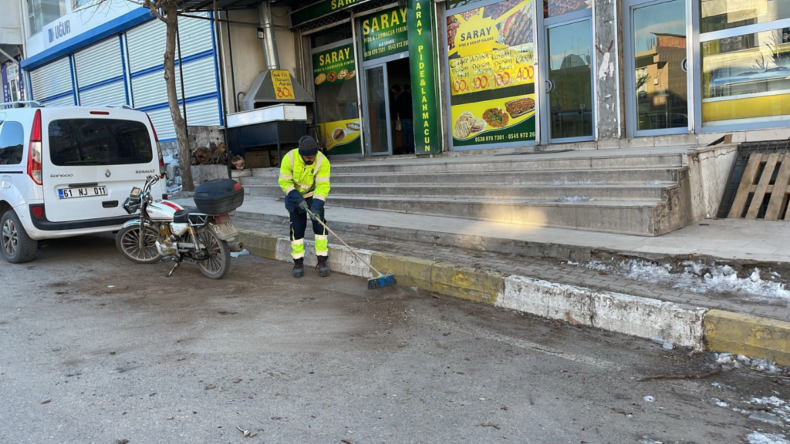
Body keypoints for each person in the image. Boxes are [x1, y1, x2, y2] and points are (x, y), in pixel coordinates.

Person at [278, 136, 331, 278]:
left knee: (320, 226)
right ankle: (298, 262)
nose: (311, 159)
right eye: (308, 157)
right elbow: (284, 182)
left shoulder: (322, 161)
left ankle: (322, 260)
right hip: (294, 196)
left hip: (313, 195)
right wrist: (296, 198)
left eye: (312, 156)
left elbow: (323, 185)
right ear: (301, 154)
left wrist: (317, 206)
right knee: (297, 228)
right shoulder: (289, 158)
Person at [396, 84, 414, 154]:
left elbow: (397, 107)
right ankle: (411, 149)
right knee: (410, 133)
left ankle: (404, 149)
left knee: (404, 134)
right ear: (409, 88)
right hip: (409, 117)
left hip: (402, 117)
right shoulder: (411, 96)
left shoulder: (400, 96)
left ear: (403, 88)